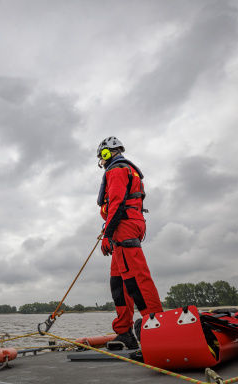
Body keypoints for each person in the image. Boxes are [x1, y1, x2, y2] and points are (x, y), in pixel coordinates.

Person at [96, 136, 163, 350]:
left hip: (123, 226)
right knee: (119, 282)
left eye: (102, 156)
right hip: (122, 226)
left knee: (136, 278)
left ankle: (157, 327)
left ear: (107, 153)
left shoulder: (116, 170)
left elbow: (116, 202)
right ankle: (124, 332)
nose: (102, 161)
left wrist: (108, 233)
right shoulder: (129, 170)